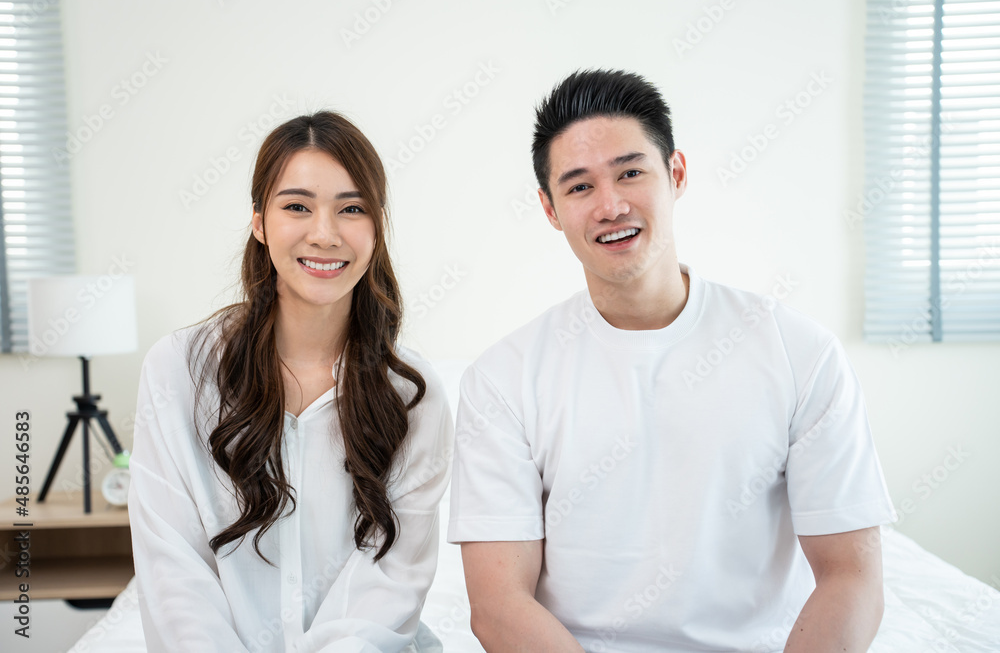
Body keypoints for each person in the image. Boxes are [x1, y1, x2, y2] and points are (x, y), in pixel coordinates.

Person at [448, 70, 896, 653]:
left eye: (631, 172)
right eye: (579, 187)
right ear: (550, 209)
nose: (610, 205)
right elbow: (498, 605)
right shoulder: (503, 378)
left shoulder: (797, 352)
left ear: (676, 173)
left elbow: (851, 574)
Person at [129, 112, 453, 653]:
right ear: (259, 222)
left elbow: (391, 580)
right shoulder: (178, 371)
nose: (324, 234)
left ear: (376, 227)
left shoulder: (412, 396)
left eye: (352, 209)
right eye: (297, 207)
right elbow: (173, 569)